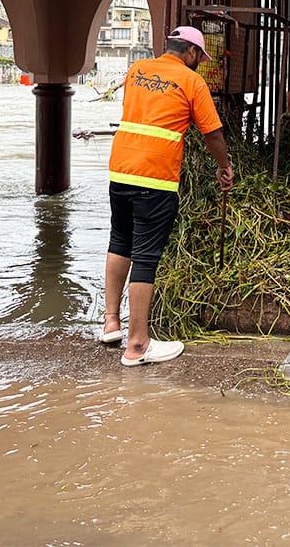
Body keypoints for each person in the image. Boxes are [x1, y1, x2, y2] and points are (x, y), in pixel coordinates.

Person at [102, 26, 234, 366]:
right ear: (190, 53)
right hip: (156, 176)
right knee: (145, 256)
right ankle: (137, 345)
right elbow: (213, 134)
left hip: (121, 168)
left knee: (120, 241)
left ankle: (111, 323)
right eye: (198, 58)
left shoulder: (136, 70)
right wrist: (224, 167)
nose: (198, 64)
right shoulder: (192, 82)